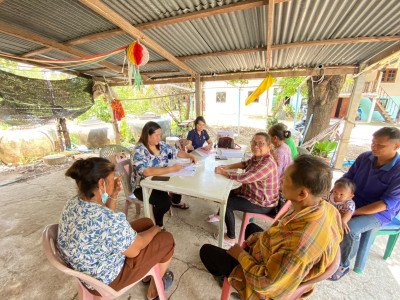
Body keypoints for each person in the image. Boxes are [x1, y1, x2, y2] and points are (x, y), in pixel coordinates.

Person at [200, 155, 343, 299]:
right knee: (251, 228)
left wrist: (241, 255)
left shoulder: (298, 245)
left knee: (206, 251)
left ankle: (226, 278)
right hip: (278, 261)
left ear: (302, 193)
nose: (281, 180)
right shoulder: (329, 210)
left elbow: (266, 284)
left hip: (266, 285)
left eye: (286, 179)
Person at [58, 157, 175, 300]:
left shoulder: (73, 203)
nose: (114, 183)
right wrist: (157, 229)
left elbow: (108, 225)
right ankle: (154, 293)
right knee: (166, 239)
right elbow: (135, 249)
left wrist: (113, 195)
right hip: (106, 281)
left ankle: (147, 274)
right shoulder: (108, 220)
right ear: (101, 183)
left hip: (87, 267)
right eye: (112, 179)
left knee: (146, 222)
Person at [329, 126, 400, 281]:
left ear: (396, 146)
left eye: (380, 145)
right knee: (324, 214)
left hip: (379, 212)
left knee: (349, 229)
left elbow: (384, 204)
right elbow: (346, 181)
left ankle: (343, 265)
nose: (374, 148)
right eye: (373, 143)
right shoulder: (365, 158)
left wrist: (350, 213)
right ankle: (326, 253)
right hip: (353, 201)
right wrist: (335, 198)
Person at [208, 132, 280, 246]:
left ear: (269, 147)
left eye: (261, 144)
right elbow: (245, 163)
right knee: (228, 193)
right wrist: (228, 166)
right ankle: (219, 215)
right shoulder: (259, 157)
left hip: (263, 203)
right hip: (254, 194)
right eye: (254, 143)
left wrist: (223, 172)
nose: (256, 146)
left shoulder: (267, 164)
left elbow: (245, 177)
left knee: (228, 204)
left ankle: (231, 237)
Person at [132, 121, 197, 227]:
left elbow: (176, 153)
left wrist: (190, 157)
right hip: (143, 186)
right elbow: (146, 171)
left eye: (160, 135)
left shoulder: (161, 145)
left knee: (180, 181)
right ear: (147, 135)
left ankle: (175, 201)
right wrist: (171, 169)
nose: (159, 138)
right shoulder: (139, 150)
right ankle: (158, 225)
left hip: (161, 180)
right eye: (156, 135)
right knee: (164, 203)